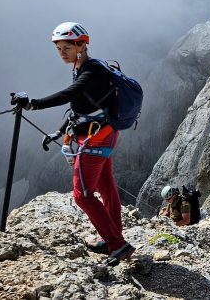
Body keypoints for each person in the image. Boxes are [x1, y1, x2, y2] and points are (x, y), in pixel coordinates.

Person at [10, 22, 135, 266]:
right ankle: (113, 237)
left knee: (82, 196)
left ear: (82, 45)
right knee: (106, 186)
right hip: (103, 132)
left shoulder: (91, 71)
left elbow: (69, 94)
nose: (62, 53)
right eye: (59, 49)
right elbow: (81, 105)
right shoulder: (84, 67)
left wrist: (32, 104)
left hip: (95, 137)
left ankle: (117, 245)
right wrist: (58, 132)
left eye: (67, 47)